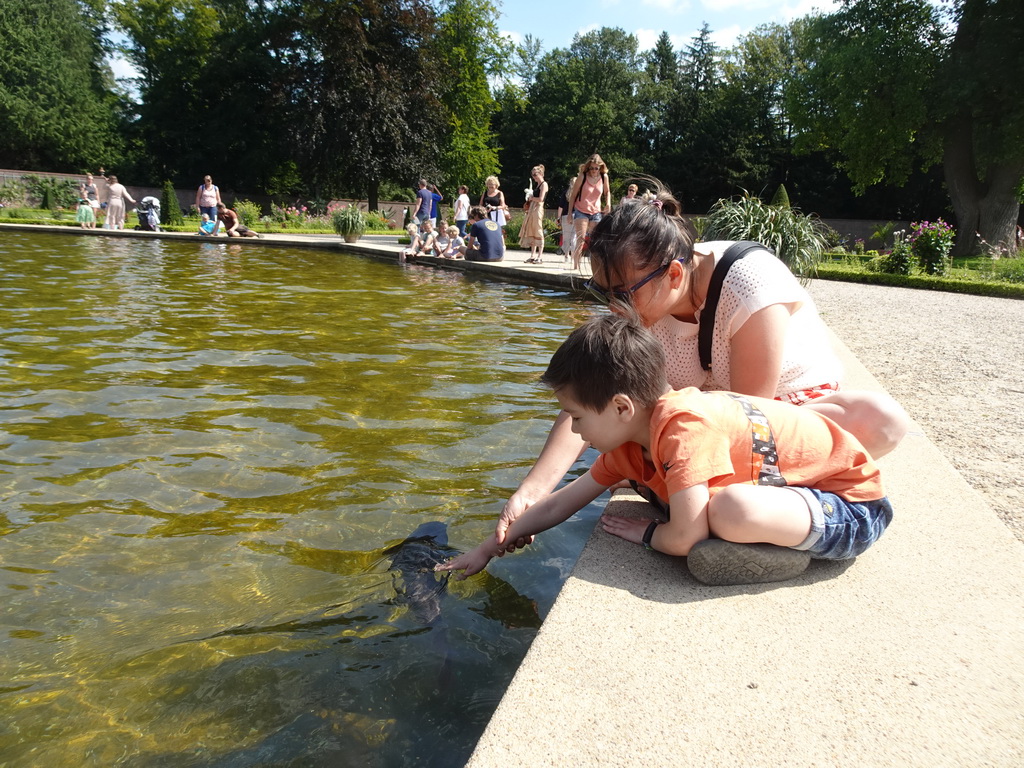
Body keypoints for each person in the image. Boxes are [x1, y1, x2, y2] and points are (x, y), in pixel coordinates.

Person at [494, 182, 908, 553]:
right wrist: (533, 491)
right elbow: (589, 398)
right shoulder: (646, 309)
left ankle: (787, 514)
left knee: (882, 421)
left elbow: (749, 415)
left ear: (674, 273)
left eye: (622, 293)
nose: (614, 309)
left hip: (773, 416)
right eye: (604, 294)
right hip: (702, 420)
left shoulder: (748, 281)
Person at [438, 314, 893, 586]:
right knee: (714, 509)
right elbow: (563, 501)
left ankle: (787, 557)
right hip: (796, 500)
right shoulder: (632, 442)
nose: (573, 429)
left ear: (621, 407)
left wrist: (649, 535)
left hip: (850, 508)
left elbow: (685, 537)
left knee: (726, 511)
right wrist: (486, 547)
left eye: (576, 417)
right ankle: (765, 544)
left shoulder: (683, 429)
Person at [567, 154, 612, 271]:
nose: (593, 171)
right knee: (581, 239)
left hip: (596, 212)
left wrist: (608, 203)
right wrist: (569, 214)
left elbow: (607, 192)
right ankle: (576, 267)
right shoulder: (582, 177)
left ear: (600, 168)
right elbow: (573, 196)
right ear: (588, 167)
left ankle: (594, 268)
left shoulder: (604, 177)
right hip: (581, 210)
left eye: (596, 168)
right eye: (591, 168)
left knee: (595, 241)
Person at [520, 165, 548, 264]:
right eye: (533, 175)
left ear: (541, 174)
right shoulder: (537, 185)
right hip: (533, 208)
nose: (534, 177)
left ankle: (539, 256)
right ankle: (532, 255)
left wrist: (532, 198)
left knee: (538, 230)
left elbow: (541, 199)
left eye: (535, 174)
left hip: (538, 208)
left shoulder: (544, 185)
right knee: (531, 229)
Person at [479, 176, 507, 240]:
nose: (490, 186)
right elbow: (480, 204)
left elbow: (503, 206)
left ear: (496, 185)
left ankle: (502, 245)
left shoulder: (500, 193)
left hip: (496, 215)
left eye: (492, 184)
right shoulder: (485, 193)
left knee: (498, 231)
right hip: (486, 215)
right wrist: (484, 210)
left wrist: (494, 207)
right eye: (489, 184)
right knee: (486, 231)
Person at [555, 186, 575, 261]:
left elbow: (561, 207)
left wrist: (558, 218)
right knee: (574, 237)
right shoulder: (579, 192)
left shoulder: (565, 193)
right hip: (577, 216)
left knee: (566, 237)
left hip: (566, 216)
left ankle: (566, 256)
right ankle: (573, 256)